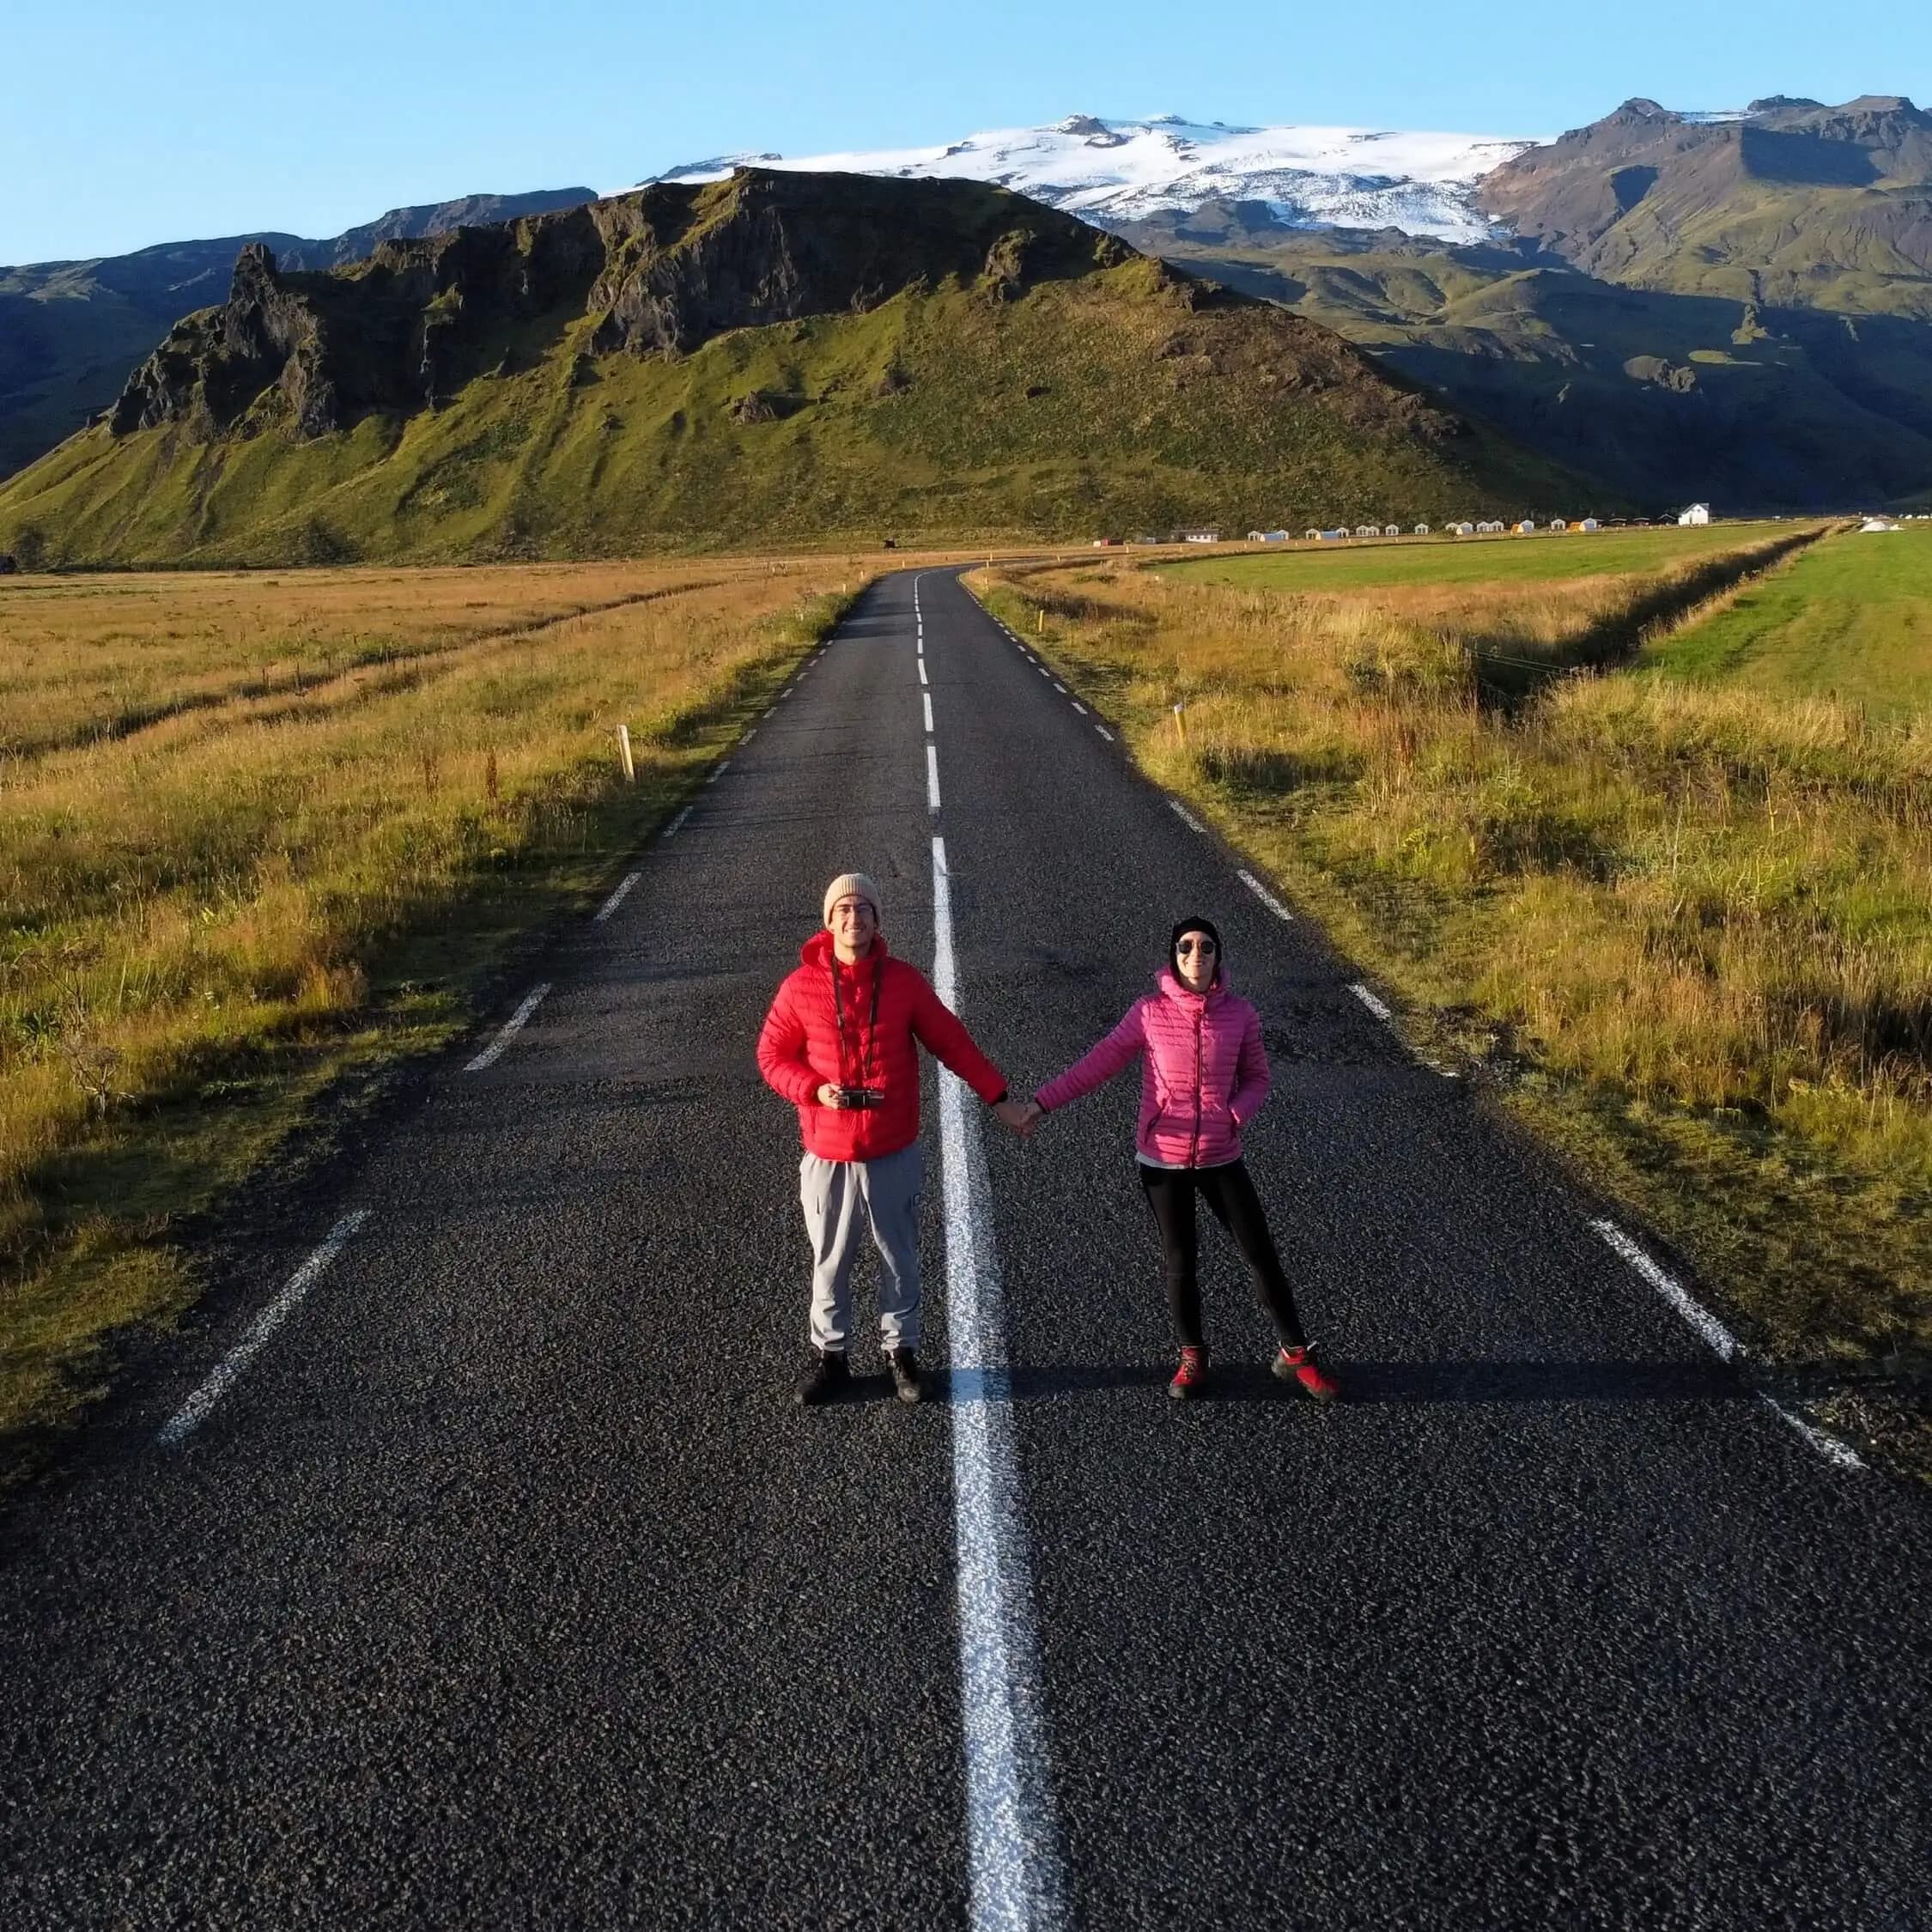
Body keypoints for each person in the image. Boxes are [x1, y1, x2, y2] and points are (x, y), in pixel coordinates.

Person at [1022, 916, 1342, 1403]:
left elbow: (1258, 1077)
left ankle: (1294, 1354)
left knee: (1260, 1253)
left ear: (1218, 957)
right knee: (1181, 1261)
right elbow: (1099, 1062)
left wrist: (1234, 1115)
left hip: (1221, 1155)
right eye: (1187, 947)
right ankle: (1192, 1356)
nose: (1197, 955)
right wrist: (1041, 1103)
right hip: (1162, 1162)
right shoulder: (1149, 1013)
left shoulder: (1240, 1015)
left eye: (1207, 947)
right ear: (1173, 955)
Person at [757, 872, 1032, 1406]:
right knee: (830, 1261)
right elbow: (771, 1057)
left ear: (877, 920)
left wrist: (1000, 1100)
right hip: (827, 1152)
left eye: (863, 909)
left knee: (899, 1256)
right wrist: (815, 1090)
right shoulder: (799, 988)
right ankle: (830, 1358)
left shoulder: (904, 982)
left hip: (892, 1151)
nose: (853, 918)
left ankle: (900, 1353)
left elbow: (953, 1043)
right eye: (843, 910)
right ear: (828, 920)